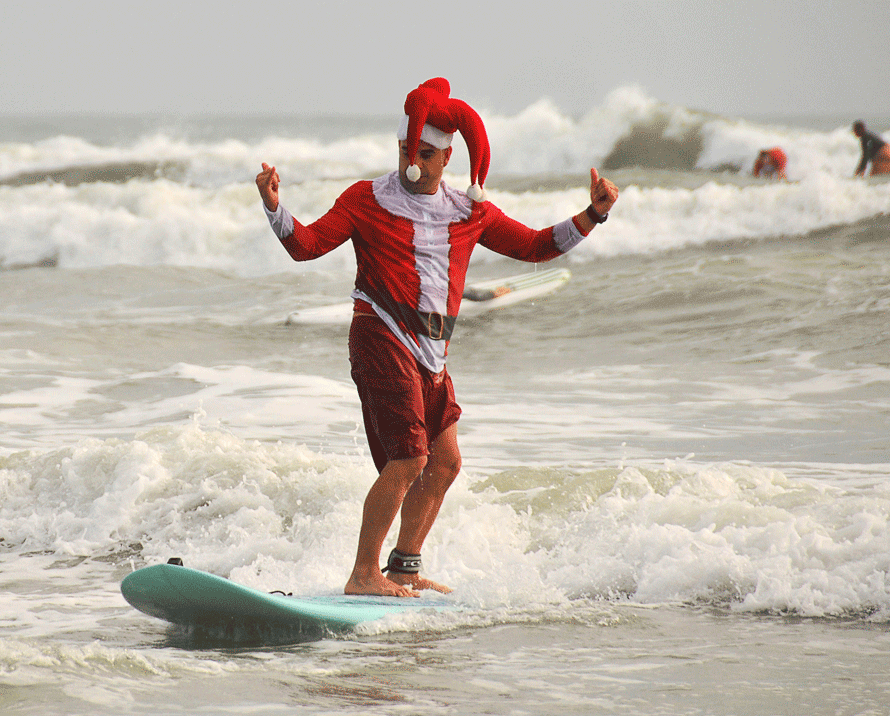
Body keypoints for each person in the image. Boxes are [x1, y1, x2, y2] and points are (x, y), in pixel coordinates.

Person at [256, 78, 619, 598]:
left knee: (445, 462)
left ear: (446, 158)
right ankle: (363, 574)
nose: (413, 162)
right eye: (407, 150)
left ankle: (404, 566)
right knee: (409, 459)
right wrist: (274, 207)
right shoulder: (366, 199)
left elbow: (536, 246)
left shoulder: (469, 212)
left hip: (432, 353)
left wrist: (594, 214)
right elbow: (306, 246)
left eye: (425, 153)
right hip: (381, 335)